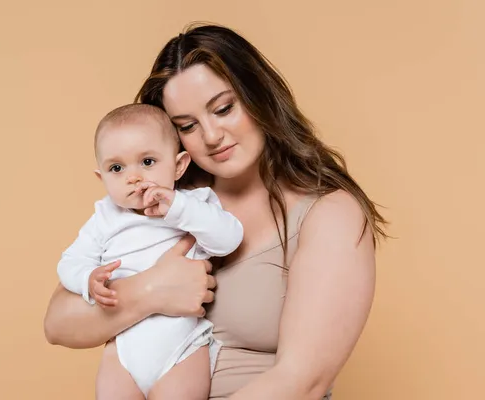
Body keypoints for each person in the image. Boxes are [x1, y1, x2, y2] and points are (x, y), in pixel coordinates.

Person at [44, 23, 387, 400]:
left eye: (223, 109)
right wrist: (150, 291)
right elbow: (58, 323)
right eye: (187, 125)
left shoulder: (328, 214)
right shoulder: (164, 200)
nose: (211, 135)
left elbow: (302, 383)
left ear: (258, 96)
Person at [56, 103, 243, 399]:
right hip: (123, 351)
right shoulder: (105, 217)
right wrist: (87, 279)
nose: (133, 177)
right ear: (102, 178)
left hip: (181, 348)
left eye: (147, 162)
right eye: (116, 168)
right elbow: (70, 261)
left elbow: (229, 238)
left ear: (179, 166)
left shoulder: (192, 205)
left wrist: (178, 208)